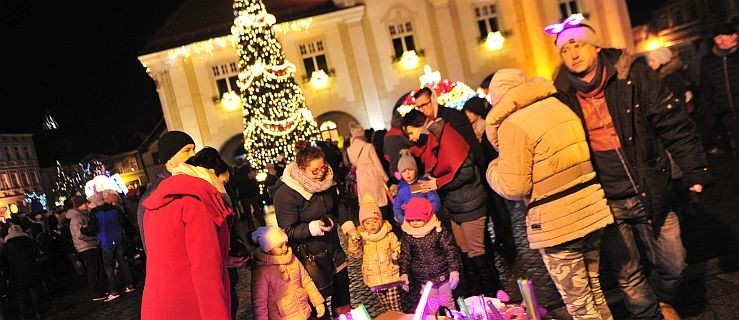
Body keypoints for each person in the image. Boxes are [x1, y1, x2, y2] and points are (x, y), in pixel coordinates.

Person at [549, 16, 711, 320]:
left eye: (578, 45)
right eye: (564, 49)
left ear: (595, 46)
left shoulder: (632, 75)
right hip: (605, 198)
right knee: (627, 273)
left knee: (674, 262)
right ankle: (648, 316)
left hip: (650, 184)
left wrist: (695, 169)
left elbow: (672, 122)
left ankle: (662, 299)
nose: (572, 54)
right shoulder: (560, 95)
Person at [485, 69, 614, 319]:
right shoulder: (559, 107)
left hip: (558, 223)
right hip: (590, 208)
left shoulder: (514, 124)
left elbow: (514, 187)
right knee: (595, 293)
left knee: (580, 306)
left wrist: (492, 169)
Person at [402, 109, 501, 296]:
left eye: (411, 133)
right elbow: (443, 169)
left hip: (471, 204)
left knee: (476, 252)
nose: (412, 139)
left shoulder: (447, 137)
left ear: (421, 125)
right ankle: (477, 293)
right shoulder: (432, 139)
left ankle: (493, 293)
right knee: (464, 252)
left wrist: (436, 183)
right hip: (456, 205)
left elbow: (465, 173)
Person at [140, 160, 234, 319]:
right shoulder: (196, 203)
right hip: (190, 306)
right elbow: (206, 272)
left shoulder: (153, 205)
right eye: (223, 182)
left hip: (156, 305)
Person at [270, 141, 353, 318]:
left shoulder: (328, 180)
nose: (321, 173)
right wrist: (312, 227)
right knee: (318, 305)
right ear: (301, 169)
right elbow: (287, 230)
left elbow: (337, 205)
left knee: (343, 299)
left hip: (334, 251)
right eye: (314, 171)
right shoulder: (286, 193)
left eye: (322, 167)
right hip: (311, 259)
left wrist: (348, 227)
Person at [186, 147, 244, 320]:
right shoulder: (202, 199)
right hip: (214, 271)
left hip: (224, 264)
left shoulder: (216, 194)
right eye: (224, 182)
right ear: (212, 174)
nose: (225, 187)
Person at [398, 197, 460, 314]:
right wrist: (404, 273)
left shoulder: (437, 230)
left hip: (443, 275)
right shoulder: (408, 235)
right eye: (411, 220)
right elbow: (405, 255)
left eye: (418, 219)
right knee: (432, 305)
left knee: (447, 301)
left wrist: (453, 269)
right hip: (424, 278)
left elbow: (450, 250)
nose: (414, 223)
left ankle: (452, 317)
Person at [136, 131, 195, 251]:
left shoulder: (194, 180)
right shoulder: (154, 194)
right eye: (187, 150)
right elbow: (150, 242)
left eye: (194, 149)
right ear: (170, 157)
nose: (193, 154)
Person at [251, 226, 325, 320]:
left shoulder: (293, 260)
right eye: (280, 246)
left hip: (304, 313)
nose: (285, 248)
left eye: (285, 244)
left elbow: (306, 282)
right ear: (268, 249)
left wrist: (318, 302)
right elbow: (260, 302)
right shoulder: (262, 271)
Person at [347, 196, 402, 312]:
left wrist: (396, 253)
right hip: (374, 279)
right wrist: (353, 242)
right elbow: (355, 254)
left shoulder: (388, 235)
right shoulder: (362, 238)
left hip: (390, 276)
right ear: (363, 225)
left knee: (395, 304)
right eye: (368, 223)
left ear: (380, 221)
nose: (372, 225)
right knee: (386, 306)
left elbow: (398, 247)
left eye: (375, 221)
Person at [413, 87, 483, 168]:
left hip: (467, 167)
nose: (422, 110)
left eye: (424, 105)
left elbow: (469, 143)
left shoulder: (452, 116)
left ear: (433, 100)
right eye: (419, 107)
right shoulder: (427, 123)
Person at [87, 192, 136, 300]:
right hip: (118, 238)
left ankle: (113, 290)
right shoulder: (115, 209)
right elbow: (123, 221)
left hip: (106, 241)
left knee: (109, 267)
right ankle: (130, 285)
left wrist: (83, 229)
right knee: (123, 262)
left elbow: (92, 228)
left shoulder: (95, 212)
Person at [700, 23, 739, 156]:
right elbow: (705, 88)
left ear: (734, 36)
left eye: (724, 37)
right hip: (727, 115)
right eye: (717, 38)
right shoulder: (707, 61)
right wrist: (713, 107)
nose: (720, 41)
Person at [347, 121, 392, 226]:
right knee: (379, 202)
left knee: (368, 203)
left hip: (361, 178)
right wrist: (385, 177)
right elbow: (377, 163)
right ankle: (383, 223)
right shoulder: (368, 146)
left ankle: (370, 223)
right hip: (373, 175)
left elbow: (353, 164)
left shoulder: (349, 149)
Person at [65, 196, 108, 302]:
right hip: (86, 247)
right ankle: (94, 291)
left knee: (97, 268)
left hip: (90, 245)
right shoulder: (77, 217)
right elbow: (79, 234)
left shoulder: (82, 215)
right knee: (92, 269)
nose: (87, 205)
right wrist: (94, 237)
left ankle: (99, 289)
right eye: (85, 203)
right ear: (80, 204)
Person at [1, 225, 44, 320]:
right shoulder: (30, 242)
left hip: (16, 273)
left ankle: (24, 315)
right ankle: (38, 312)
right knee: (35, 293)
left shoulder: (6, 247)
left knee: (21, 296)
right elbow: (38, 254)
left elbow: (4, 264)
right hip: (31, 269)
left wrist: (7, 276)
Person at [392, 149, 441, 224]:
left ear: (415, 170)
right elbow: (397, 207)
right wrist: (403, 221)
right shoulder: (400, 189)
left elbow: (434, 201)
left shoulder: (424, 183)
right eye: (404, 171)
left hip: (427, 220)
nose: (407, 173)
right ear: (401, 174)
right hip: (411, 222)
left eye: (410, 170)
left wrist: (430, 216)